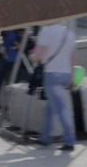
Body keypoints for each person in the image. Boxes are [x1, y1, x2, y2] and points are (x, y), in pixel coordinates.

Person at [30, 20, 77, 151]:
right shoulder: (69, 33)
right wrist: (72, 78)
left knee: (61, 109)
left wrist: (31, 57)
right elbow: (72, 58)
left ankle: (69, 141)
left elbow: (39, 56)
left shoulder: (46, 32)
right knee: (49, 108)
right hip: (66, 74)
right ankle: (44, 138)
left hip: (52, 75)